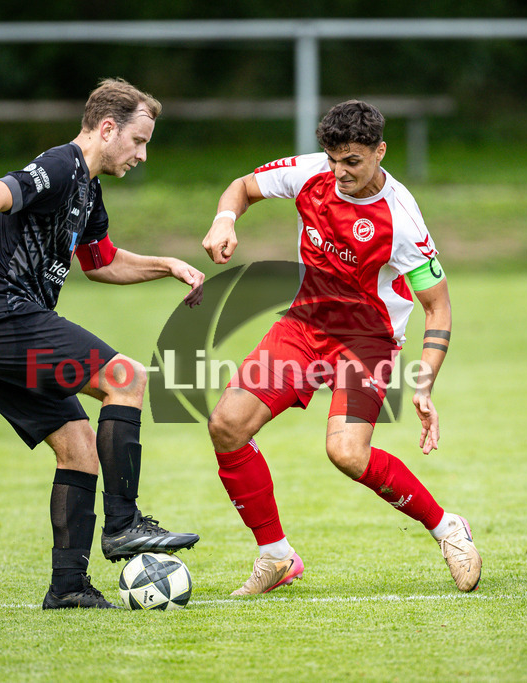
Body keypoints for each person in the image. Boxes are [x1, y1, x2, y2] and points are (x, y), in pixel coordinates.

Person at [0, 78, 205, 609]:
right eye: (138, 140)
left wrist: (167, 264)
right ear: (108, 129)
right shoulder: (62, 166)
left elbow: (101, 261)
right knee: (125, 377)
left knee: (78, 444)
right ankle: (124, 525)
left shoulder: (90, 191)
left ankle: (68, 588)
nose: (142, 155)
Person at [200, 100, 481, 596]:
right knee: (226, 425)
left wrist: (424, 383)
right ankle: (276, 556)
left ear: (380, 152)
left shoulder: (402, 220)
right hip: (305, 324)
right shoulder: (311, 173)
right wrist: (226, 218)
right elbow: (243, 187)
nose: (339, 172)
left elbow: (438, 308)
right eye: (333, 159)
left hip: (367, 342)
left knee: (347, 453)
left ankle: (448, 528)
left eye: (351, 161)